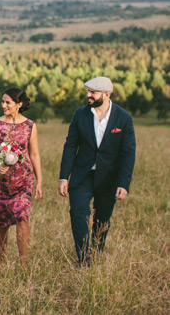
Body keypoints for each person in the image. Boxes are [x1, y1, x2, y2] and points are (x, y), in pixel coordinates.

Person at [59, 76, 136, 266]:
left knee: (102, 220)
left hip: (109, 178)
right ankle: (84, 259)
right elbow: (70, 146)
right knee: (77, 212)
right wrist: (63, 177)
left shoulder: (124, 119)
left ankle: (97, 253)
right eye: (88, 91)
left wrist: (123, 184)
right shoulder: (80, 114)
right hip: (82, 175)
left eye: (93, 92)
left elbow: (128, 153)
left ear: (107, 94)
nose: (88, 95)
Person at [0, 88, 43, 264]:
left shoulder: (30, 126)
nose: (3, 105)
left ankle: (23, 263)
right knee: (2, 224)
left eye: (8, 102)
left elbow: (35, 154)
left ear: (19, 104)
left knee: (22, 217)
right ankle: (1, 260)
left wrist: (40, 182)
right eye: (3, 102)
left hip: (24, 181)